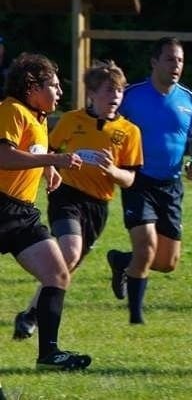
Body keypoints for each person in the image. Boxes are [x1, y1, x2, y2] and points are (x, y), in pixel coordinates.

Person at [12, 60, 143, 340]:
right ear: (92, 93)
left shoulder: (130, 132)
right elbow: (49, 148)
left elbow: (130, 178)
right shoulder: (71, 121)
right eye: (109, 90)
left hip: (98, 205)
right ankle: (38, 326)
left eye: (120, 91)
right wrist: (50, 169)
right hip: (67, 196)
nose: (116, 96)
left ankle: (30, 314)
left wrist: (112, 171)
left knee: (66, 266)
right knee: (69, 252)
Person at [0, 52, 91, 370]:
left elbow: (33, 151)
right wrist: (53, 161)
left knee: (57, 273)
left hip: (22, 214)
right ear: (31, 86)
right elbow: (4, 156)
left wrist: (48, 166)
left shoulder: (38, 118)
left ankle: (48, 355)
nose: (60, 92)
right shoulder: (12, 110)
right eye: (53, 85)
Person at [106, 37, 192, 324]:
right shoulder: (131, 96)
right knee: (146, 246)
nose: (176, 66)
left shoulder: (188, 99)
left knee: (166, 263)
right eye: (170, 59)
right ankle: (136, 318)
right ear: (154, 62)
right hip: (138, 180)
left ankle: (122, 262)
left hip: (171, 185)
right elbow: (110, 127)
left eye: (180, 60)